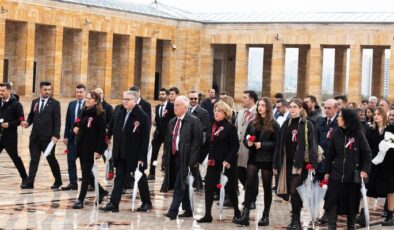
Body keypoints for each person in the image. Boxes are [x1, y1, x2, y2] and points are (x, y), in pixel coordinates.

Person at [100, 90, 152, 212]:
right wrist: (108, 137)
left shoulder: (142, 117)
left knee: (140, 178)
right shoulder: (119, 111)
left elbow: (145, 140)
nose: (124, 101)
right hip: (120, 151)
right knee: (119, 178)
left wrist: (142, 157)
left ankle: (146, 202)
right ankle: (114, 203)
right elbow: (112, 127)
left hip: (135, 153)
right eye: (123, 99)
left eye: (127, 99)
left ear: (135, 101)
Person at [273, 98, 318, 230]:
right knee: (290, 192)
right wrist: (276, 164)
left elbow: (313, 145)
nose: (292, 109)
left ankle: (296, 220)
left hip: (300, 163)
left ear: (300, 109)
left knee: (294, 190)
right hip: (286, 163)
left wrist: (312, 164)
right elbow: (279, 145)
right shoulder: (286, 124)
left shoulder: (306, 124)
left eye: (295, 107)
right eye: (291, 107)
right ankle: (294, 218)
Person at [234, 97, 279, 226]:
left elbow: (277, 143)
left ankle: (265, 216)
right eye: (259, 105)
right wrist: (248, 143)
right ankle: (246, 215)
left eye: (263, 105)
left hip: (267, 159)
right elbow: (245, 139)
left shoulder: (274, 124)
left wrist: (263, 145)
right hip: (253, 157)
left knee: (266, 187)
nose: (260, 107)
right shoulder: (253, 122)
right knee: (249, 185)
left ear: (268, 108)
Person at [324, 109, 372, 230]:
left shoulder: (358, 134)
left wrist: (365, 170)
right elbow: (330, 155)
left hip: (352, 177)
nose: (338, 119)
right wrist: (326, 172)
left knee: (351, 206)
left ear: (347, 119)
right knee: (332, 203)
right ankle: (331, 226)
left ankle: (351, 227)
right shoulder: (336, 133)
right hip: (336, 175)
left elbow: (367, 153)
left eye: (340, 116)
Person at [197, 101, 241, 223]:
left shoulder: (230, 127)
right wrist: (199, 159)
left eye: (219, 111)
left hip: (226, 163)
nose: (216, 112)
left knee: (230, 189)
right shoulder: (212, 124)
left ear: (225, 113)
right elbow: (207, 144)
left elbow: (235, 146)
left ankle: (237, 212)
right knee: (209, 187)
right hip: (213, 162)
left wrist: (227, 160)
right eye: (215, 110)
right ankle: (207, 215)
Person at [161, 96, 202, 220]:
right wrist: (164, 159)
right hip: (174, 157)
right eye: (175, 105)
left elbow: (197, 142)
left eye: (178, 105)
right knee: (181, 183)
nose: (175, 107)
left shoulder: (193, 121)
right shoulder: (172, 121)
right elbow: (167, 142)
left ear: (186, 107)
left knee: (180, 184)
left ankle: (173, 211)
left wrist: (193, 161)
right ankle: (188, 209)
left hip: (186, 158)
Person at [21, 81, 62, 190]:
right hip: (35, 137)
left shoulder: (55, 103)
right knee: (34, 159)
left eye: (49, 89)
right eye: (45, 89)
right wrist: (27, 123)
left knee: (51, 159)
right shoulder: (35, 102)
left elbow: (57, 121)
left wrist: (56, 135)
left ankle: (58, 180)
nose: (47, 92)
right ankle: (30, 182)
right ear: (40, 89)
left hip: (48, 138)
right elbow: (31, 116)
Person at [72, 91, 108, 209]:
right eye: (87, 98)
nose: (87, 100)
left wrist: (99, 150)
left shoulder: (100, 114)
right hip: (81, 147)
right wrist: (75, 128)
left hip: (91, 149)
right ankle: (102, 191)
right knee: (87, 173)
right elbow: (77, 123)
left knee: (86, 174)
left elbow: (102, 135)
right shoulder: (84, 111)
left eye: (90, 98)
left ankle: (80, 200)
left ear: (96, 101)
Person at [363, 107, 394, 226]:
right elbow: (368, 147)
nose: (376, 116)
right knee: (369, 188)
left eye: (379, 114)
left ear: (384, 116)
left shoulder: (391, 129)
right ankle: (363, 214)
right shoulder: (371, 130)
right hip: (375, 164)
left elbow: (392, 146)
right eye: (374, 114)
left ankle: (390, 215)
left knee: (390, 190)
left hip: (389, 164)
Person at [315, 99, 339, 223]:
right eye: (325, 108)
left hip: (334, 161)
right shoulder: (321, 122)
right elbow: (316, 138)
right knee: (321, 186)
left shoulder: (339, 122)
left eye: (329, 108)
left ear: (336, 108)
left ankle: (328, 212)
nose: (327, 110)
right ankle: (323, 210)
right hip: (321, 159)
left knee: (331, 188)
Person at [0, 82, 27, 186]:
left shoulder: (16, 104)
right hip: (0, 135)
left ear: (9, 91)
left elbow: (21, 119)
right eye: (0, 90)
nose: (1, 92)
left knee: (15, 157)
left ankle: (25, 178)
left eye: (3, 90)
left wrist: (10, 124)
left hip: (10, 136)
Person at [62, 84, 86, 190]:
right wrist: (66, 136)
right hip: (72, 138)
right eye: (77, 92)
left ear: (84, 93)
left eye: (81, 92)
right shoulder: (71, 104)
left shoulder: (88, 104)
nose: (78, 94)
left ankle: (88, 182)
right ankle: (73, 182)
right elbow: (68, 121)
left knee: (84, 163)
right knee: (71, 161)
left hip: (84, 139)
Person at [148, 88, 175, 180]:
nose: (161, 95)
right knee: (154, 154)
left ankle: (168, 173)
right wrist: (154, 122)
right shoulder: (157, 107)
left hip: (168, 134)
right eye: (160, 94)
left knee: (167, 154)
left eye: (163, 94)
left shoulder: (172, 106)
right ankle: (152, 173)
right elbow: (157, 121)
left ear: (167, 96)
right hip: (158, 134)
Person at [236, 90, 258, 191]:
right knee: (239, 170)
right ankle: (248, 189)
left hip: (251, 149)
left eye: (245, 98)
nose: (242, 99)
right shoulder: (241, 112)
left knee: (252, 175)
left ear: (252, 100)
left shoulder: (258, 113)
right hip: (239, 149)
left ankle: (252, 198)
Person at [188, 90, 209, 190]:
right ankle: (198, 184)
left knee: (194, 163)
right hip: (187, 141)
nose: (193, 100)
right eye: (191, 98)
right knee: (191, 164)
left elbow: (205, 127)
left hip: (197, 142)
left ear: (198, 99)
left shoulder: (203, 112)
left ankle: (198, 184)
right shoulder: (186, 110)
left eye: (195, 98)